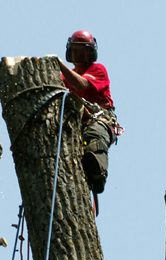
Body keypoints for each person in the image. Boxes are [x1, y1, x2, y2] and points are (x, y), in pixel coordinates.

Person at [58, 29, 120, 194]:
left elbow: (82, 85)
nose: (78, 55)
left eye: (83, 51)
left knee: (94, 135)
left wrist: (59, 66)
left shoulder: (97, 70)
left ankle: (98, 173)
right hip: (76, 124)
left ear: (90, 53)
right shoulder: (62, 78)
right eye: (75, 50)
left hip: (99, 120)